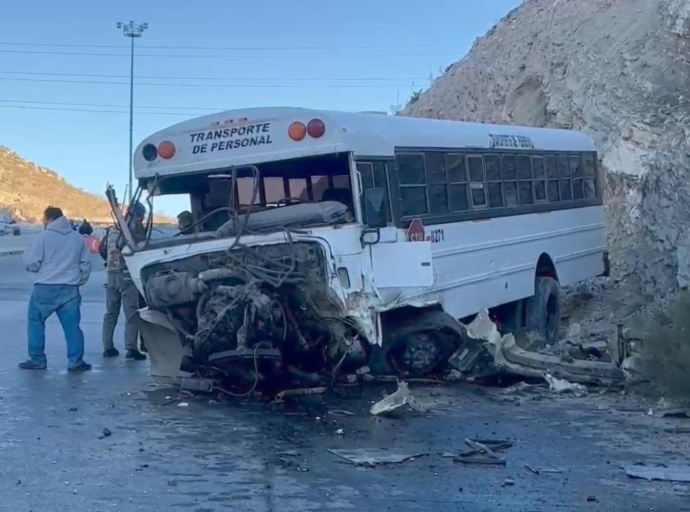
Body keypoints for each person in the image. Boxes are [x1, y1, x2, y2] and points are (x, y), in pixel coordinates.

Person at [19, 206, 92, 372]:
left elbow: (33, 263)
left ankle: (37, 360)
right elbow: (86, 264)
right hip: (70, 288)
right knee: (72, 327)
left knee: (36, 322)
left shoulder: (42, 237)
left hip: (45, 286)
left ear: (49, 218)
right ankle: (75, 361)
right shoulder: (77, 238)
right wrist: (79, 281)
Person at [100, 202, 148, 360]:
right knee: (132, 314)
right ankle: (131, 348)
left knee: (111, 313)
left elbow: (102, 248)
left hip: (111, 274)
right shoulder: (133, 228)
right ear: (138, 214)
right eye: (142, 215)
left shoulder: (113, 229)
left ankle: (107, 346)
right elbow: (141, 247)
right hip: (127, 275)